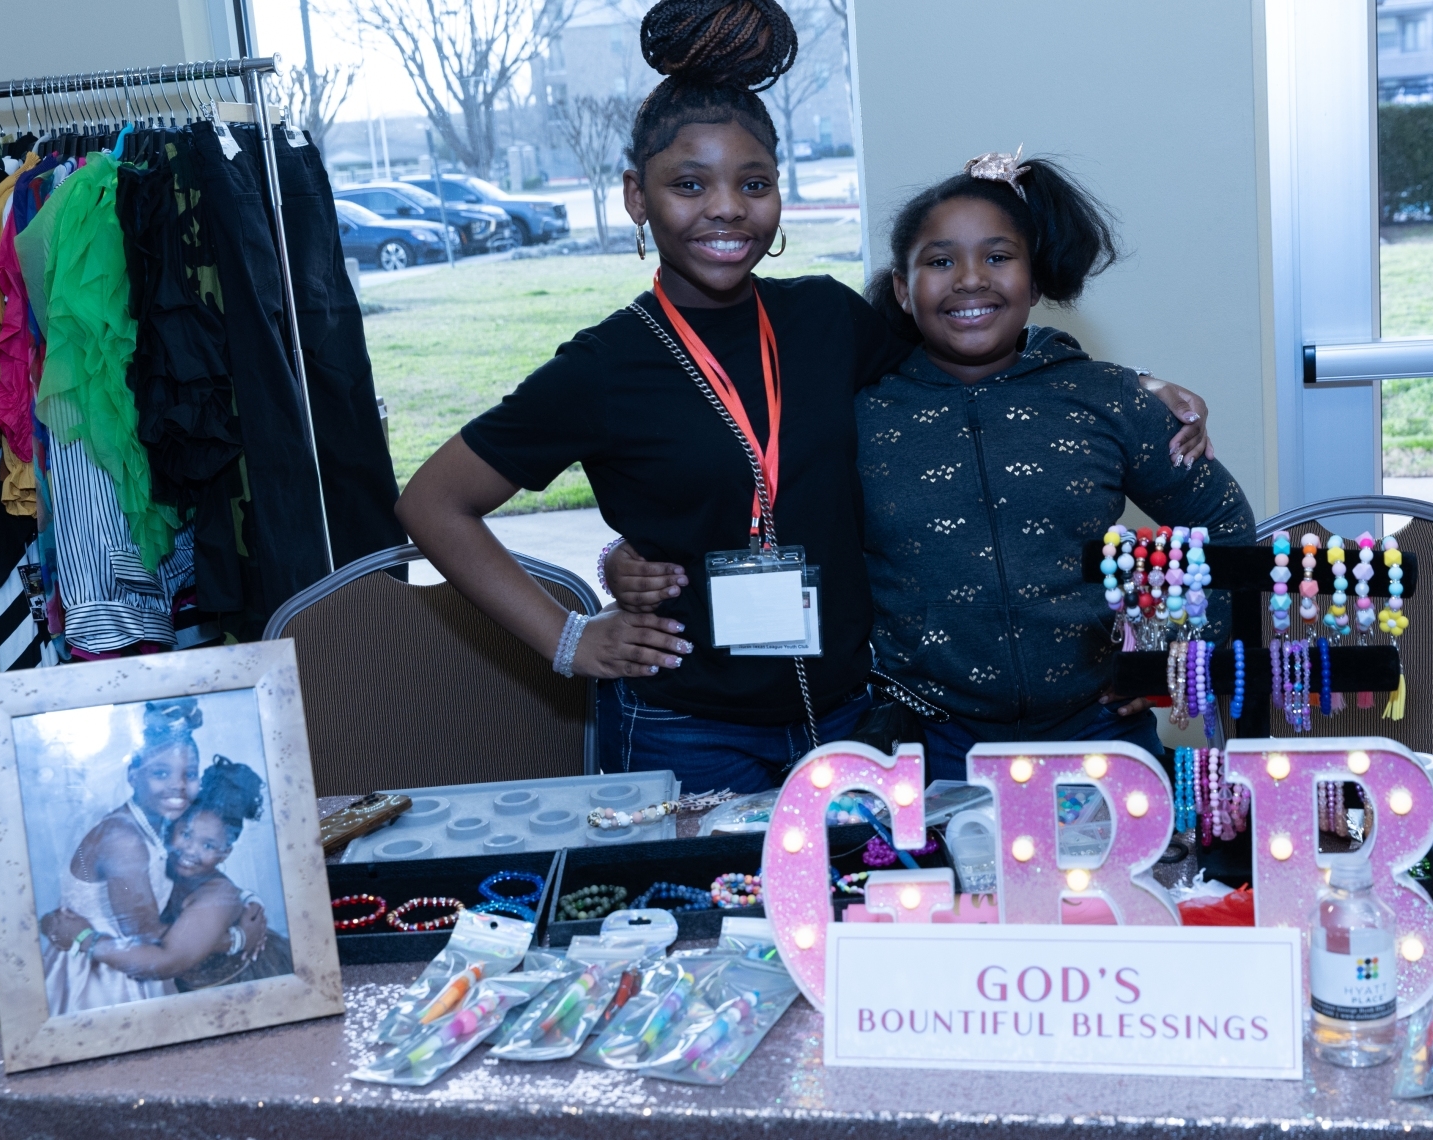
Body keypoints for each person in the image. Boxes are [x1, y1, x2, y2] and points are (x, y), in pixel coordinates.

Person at [398, 0, 1213, 793]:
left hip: (851, 716)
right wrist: (570, 636)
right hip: (688, 728)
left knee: (876, 890)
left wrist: (1125, 385)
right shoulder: (603, 367)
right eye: (689, 184)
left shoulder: (826, 318)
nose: (726, 208)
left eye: (753, 183)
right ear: (636, 197)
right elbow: (433, 504)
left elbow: (971, 348)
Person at [851, 153, 1255, 778]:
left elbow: (1222, 521)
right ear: (903, 289)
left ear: (1035, 281)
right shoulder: (862, 414)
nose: (970, 280)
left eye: (998, 257)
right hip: (929, 743)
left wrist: (1176, 660)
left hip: (1098, 731)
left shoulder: (1107, 397)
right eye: (939, 261)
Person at [40, 702, 265, 1014]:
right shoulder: (124, 841)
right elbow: (154, 940)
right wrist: (235, 939)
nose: (178, 786)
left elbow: (195, 870)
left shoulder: (166, 825)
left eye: (189, 774)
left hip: (133, 960)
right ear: (133, 775)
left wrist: (245, 899)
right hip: (102, 973)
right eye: (161, 773)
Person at [45, 755, 293, 993]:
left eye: (208, 845)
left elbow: (168, 956)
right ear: (172, 827)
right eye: (186, 834)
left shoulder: (216, 895)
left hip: (219, 983)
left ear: (224, 853)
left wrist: (85, 939)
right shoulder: (165, 862)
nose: (191, 850)